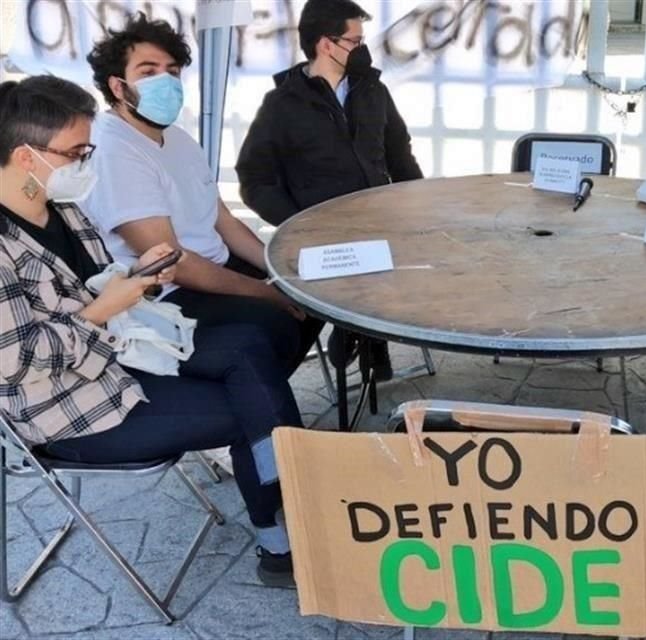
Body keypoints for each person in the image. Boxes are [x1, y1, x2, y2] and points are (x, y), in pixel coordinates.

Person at [0, 75, 300, 587]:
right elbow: (15, 361)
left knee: (249, 348)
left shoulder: (66, 213)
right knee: (251, 408)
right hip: (66, 413)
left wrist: (145, 279)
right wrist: (103, 309)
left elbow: (105, 290)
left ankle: (290, 517)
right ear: (28, 157)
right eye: (77, 151)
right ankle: (286, 533)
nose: (87, 162)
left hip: (119, 357)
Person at [83, 13, 318, 376]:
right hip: (167, 293)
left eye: (172, 71)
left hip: (215, 266)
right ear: (118, 86)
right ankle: (256, 415)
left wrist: (281, 272)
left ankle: (259, 399)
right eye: (148, 72)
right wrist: (267, 292)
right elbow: (170, 261)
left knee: (314, 298)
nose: (165, 81)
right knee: (276, 319)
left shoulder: (177, 137)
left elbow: (222, 219)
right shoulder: (113, 148)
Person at [236, 0, 423, 380]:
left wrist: (417, 206)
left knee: (408, 273)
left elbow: (399, 154)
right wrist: (297, 224)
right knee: (349, 287)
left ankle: (364, 333)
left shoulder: (373, 90)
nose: (362, 49)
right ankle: (352, 329)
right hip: (323, 237)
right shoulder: (282, 104)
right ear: (326, 44)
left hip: (380, 224)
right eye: (355, 41)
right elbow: (254, 178)